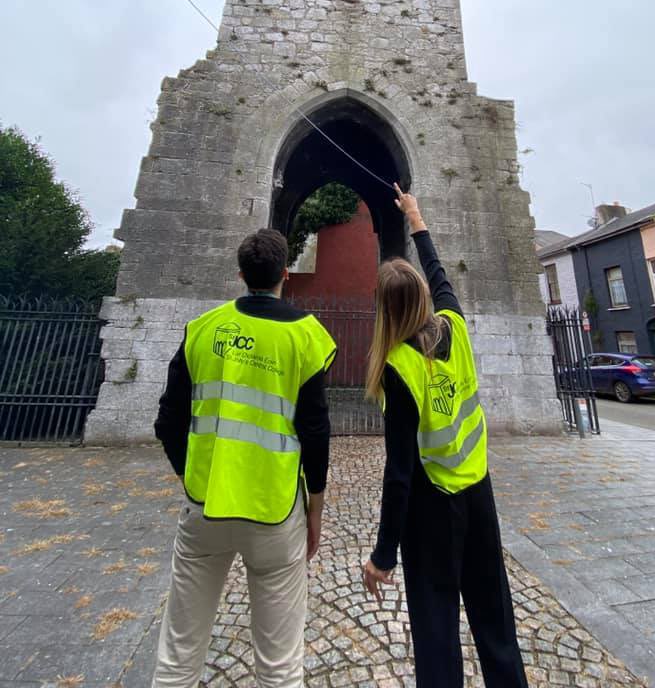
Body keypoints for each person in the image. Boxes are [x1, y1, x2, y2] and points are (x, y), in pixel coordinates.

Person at [153, 228, 336, 688]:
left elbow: (167, 421)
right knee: (279, 665)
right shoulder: (306, 335)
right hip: (274, 509)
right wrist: (315, 508)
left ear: (240, 274)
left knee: (179, 654)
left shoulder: (202, 329)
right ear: (285, 274)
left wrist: (190, 477)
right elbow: (315, 432)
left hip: (205, 503)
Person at [362, 184, 528, 688]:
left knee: (435, 624)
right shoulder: (455, 325)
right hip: (478, 491)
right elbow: (439, 272)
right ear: (425, 299)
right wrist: (417, 219)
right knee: (494, 612)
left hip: (432, 506)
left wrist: (383, 553)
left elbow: (401, 470)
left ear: (385, 311)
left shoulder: (396, 366)